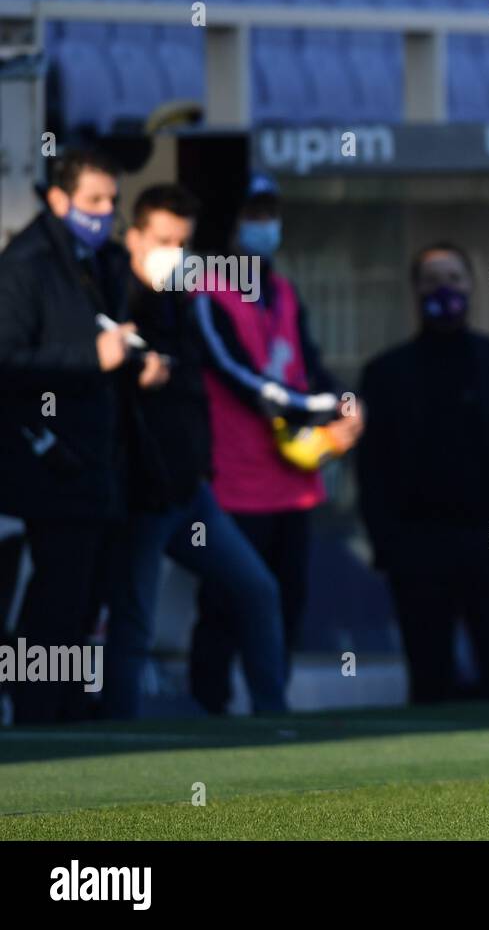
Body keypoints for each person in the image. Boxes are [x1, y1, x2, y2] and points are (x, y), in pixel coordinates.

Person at [103, 184, 287, 719]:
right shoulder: (109, 298)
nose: (173, 254)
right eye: (162, 240)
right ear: (133, 236)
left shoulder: (182, 302)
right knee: (133, 621)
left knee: (257, 590)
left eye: (181, 244)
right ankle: (119, 736)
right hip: (138, 495)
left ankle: (276, 720)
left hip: (188, 492)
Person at [0, 147, 169, 723]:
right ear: (58, 198)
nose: (104, 212)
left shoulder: (96, 259)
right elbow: (10, 361)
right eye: (94, 200)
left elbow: (104, 340)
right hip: (52, 467)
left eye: (111, 201)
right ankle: (35, 712)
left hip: (99, 463)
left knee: (87, 600)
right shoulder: (25, 265)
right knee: (56, 598)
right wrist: (90, 358)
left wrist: (132, 362)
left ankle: (69, 708)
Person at [189, 174, 363, 713]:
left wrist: (344, 405)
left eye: (270, 213)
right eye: (253, 213)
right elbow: (235, 374)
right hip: (234, 482)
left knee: (286, 603)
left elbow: (307, 364)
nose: (265, 226)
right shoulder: (205, 287)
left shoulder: (282, 288)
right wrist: (315, 408)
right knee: (225, 603)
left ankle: (272, 712)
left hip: (293, 481)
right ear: (229, 221)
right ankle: (208, 711)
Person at [357, 242, 489, 703]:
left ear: (471, 286)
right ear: (415, 291)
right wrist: (388, 544)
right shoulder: (385, 373)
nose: (444, 290)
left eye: (453, 279)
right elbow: (372, 467)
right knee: (431, 677)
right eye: (432, 281)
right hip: (418, 543)